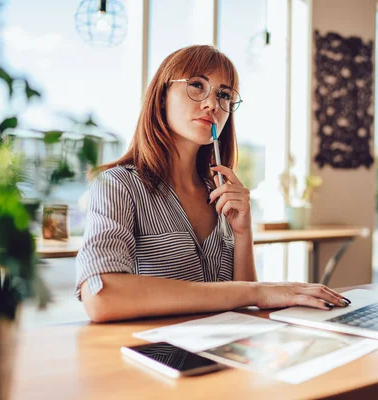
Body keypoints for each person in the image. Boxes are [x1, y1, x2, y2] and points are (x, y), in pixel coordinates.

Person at [75, 45, 350, 323]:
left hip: (223, 352)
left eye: (224, 95)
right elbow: (101, 297)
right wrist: (258, 291)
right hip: (158, 357)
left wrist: (243, 234)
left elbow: (245, 310)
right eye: (196, 85)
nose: (212, 104)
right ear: (161, 98)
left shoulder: (220, 193)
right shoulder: (118, 185)